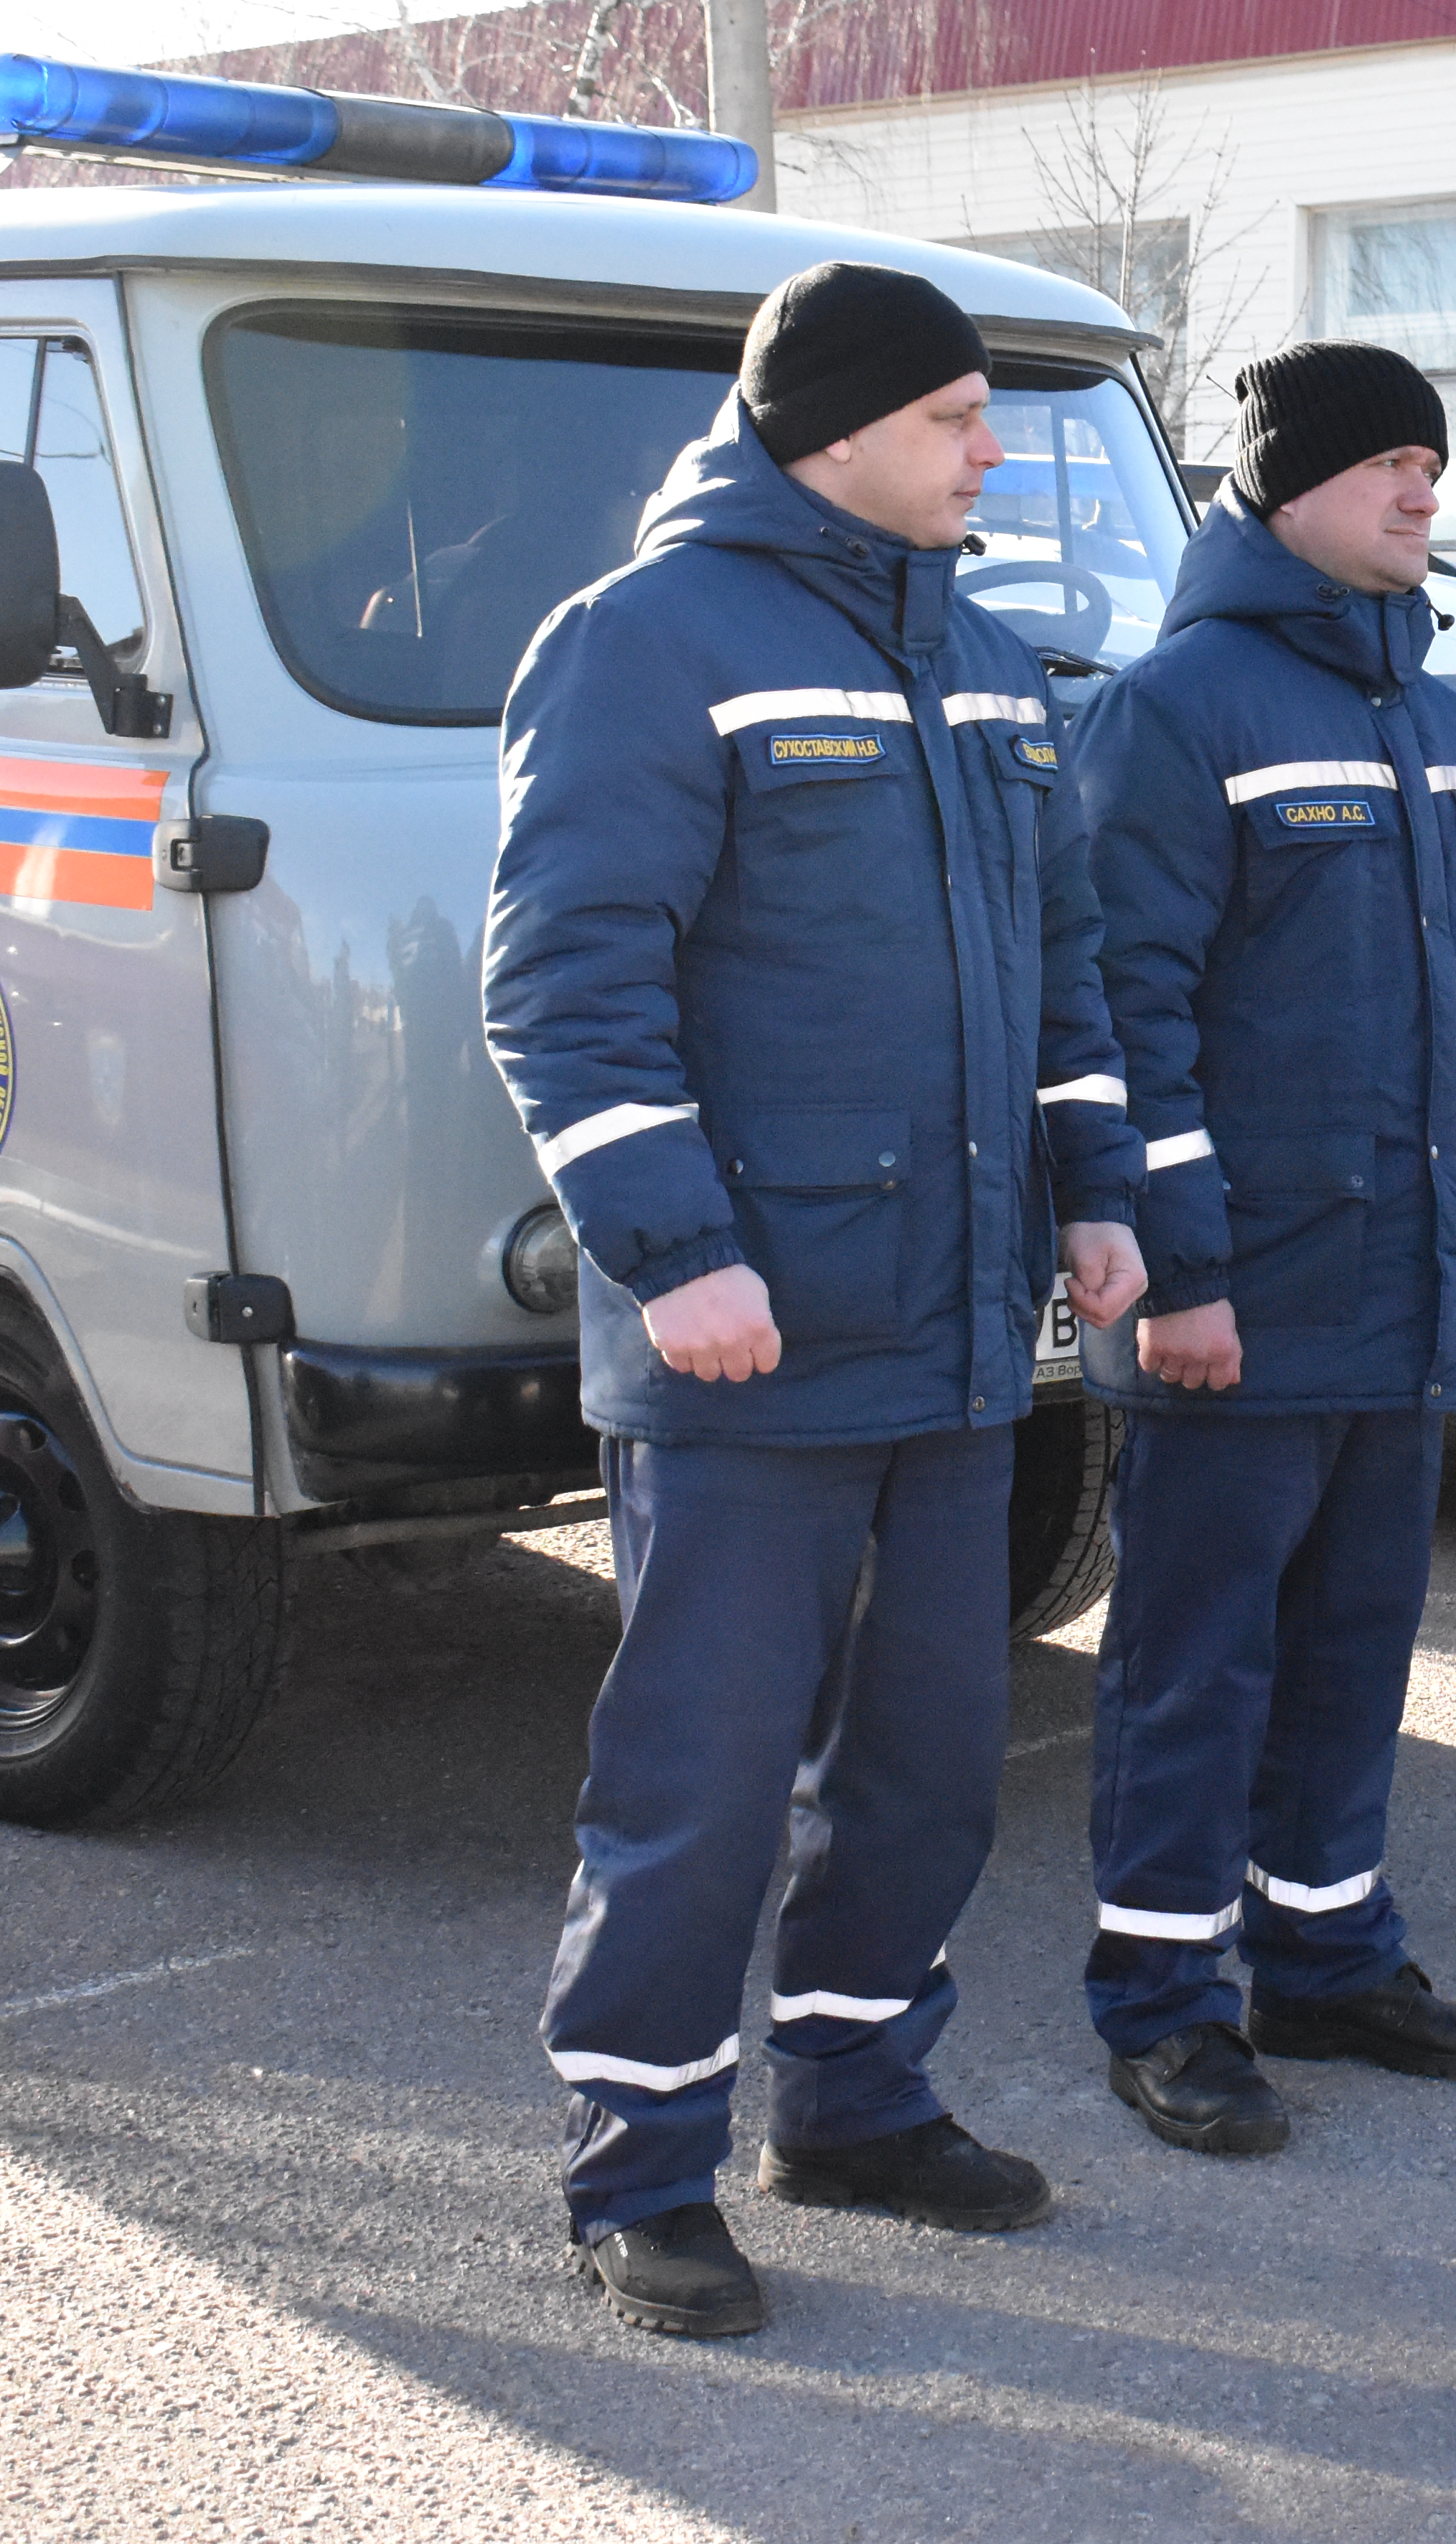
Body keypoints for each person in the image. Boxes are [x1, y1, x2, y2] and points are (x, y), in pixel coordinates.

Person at [485, 261, 1146, 2339]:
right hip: (749, 1338)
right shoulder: (646, 644)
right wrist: (677, 1258)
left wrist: (1102, 1197)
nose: (993, 449)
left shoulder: (990, 662)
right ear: (832, 428)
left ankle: (856, 2097)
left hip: (955, 1331)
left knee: (936, 1757)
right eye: (958, 416)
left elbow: (1068, 975)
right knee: (700, 1773)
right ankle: (642, 2174)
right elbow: (567, 989)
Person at [1072, 340, 1456, 2155]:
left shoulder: (1440, 717)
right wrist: (1183, 1272)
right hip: (1247, 1300)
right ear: (1286, 490)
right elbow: (1130, 1012)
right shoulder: (1181, 707)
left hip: (1411, 1285)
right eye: (1386, 466)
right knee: (1201, 1661)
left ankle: (1331, 1955)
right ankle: (1167, 2000)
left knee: (1360, 1645)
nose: (1425, 490)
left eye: (1435, 462)